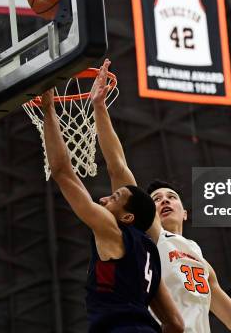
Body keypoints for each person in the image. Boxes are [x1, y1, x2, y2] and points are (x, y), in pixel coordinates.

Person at [91, 59, 231, 333]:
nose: (164, 200)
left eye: (171, 196)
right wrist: (100, 109)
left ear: (185, 212)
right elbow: (118, 167)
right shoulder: (151, 235)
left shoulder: (198, 258)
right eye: (157, 198)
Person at [40, 88, 184, 333]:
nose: (104, 198)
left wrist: (48, 108)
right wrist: (99, 106)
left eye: (114, 197)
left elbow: (63, 171)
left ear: (128, 217)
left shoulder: (112, 229)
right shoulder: (150, 253)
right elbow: (176, 324)